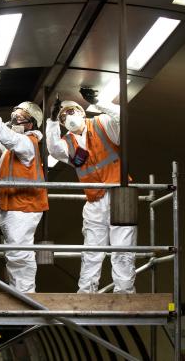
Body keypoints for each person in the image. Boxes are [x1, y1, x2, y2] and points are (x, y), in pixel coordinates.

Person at [45, 88, 136, 294]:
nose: (67, 117)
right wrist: (51, 121)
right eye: (62, 116)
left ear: (81, 112)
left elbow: (122, 117)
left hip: (119, 193)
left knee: (122, 247)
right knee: (92, 249)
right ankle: (86, 293)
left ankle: (125, 293)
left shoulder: (102, 124)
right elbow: (53, 149)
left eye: (71, 112)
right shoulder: (67, 142)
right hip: (94, 199)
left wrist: (99, 101)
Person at [0, 95, 49, 293]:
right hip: (13, 206)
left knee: (19, 255)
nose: (14, 120)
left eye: (19, 118)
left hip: (23, 208)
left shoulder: (28, 143)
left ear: (31, 124)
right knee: (15, 255)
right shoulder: (14, 148)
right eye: (13, 115)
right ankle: (20, 294)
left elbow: (8, 138)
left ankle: (26, 298)